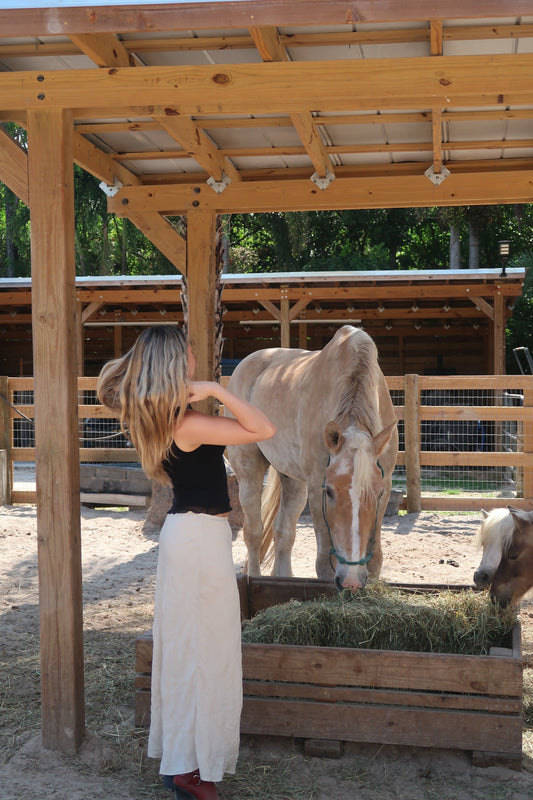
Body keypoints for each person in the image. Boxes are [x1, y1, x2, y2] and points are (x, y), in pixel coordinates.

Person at [97, 326, 276, 800]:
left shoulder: (165, 417)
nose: (196, 355)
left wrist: (210, 393)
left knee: (187, 651)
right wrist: (220, 388)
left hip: (192, 536)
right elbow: (264, 430)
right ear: (175, 361)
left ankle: (182, 761)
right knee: (206, 653)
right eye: (190, 350)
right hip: (197, 539)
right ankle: (187, 770)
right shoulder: (186, 423)